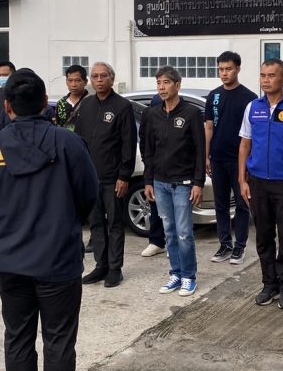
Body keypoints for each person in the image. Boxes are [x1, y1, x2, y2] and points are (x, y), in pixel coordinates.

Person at [0, 68, 103, 371]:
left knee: (18, 338)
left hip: (9, 260)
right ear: (45, 103)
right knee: (58, 341)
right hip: (57, 259)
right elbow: (88, 195)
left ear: (7, 107)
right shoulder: (68, 143)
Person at [238, 59, 283, 311]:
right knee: (263, 236)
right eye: (262, 75)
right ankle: (269, 284)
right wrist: (242, 180)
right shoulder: (253, 107)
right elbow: (245, 144)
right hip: (258, 183)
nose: (266, 80)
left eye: (271, 75)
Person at [142, 67, 207, 297]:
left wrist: (198, 182)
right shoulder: (152, 114)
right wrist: (148, 180)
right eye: (158, 83)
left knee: (184, 232)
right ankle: (176, 273)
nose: (162, 87)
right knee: (169, 231)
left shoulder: (191, 113)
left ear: (177, 85)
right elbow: (148, 150)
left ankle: (189, 276)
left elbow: (200, 150)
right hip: (160, 182)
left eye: (166, 82)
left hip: (183, 182)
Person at [73, 62, 137, 288]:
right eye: (95, 76)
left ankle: (115, 269)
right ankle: (101, 266)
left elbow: (128, 144)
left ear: (111, 78)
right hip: (90, 178)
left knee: (115, 224)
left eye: (103, 76)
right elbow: (78, 141)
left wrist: (124, 175)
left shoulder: (122, 106)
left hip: (113, 178)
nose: (99, 80)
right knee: (96, 224)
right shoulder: (86, 104)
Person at [205, 51, 257, 266]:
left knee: (243, 205)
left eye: (228, 69)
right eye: (221, 69)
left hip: (239, 161)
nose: (224, 73)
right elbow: (209, 127)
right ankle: (225, 244)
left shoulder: (250, 98)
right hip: (217, 159)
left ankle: (240, 246)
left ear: (238, 69)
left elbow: (253, 134)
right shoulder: (214, 96)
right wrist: (206, 156)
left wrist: (249, 162)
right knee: (221, 204)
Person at [138, 92, 167, 258]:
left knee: (177, 211)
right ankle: (156, 241)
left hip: (177, 170)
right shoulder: (150, 113)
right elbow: (144, 143)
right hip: (155, 169)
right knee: (155, 206)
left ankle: (175, 242)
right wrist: (148, 164)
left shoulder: (183, 113)